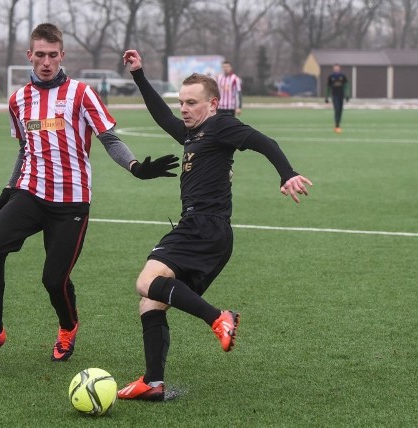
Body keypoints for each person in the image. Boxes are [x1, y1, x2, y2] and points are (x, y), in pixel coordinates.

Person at [0, 24, 179, 362]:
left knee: (54, 280)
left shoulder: (81, 93)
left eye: (52, 55)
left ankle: (68, 326)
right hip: (29, 194)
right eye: (40, 55)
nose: (46, 61)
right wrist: (7, 191)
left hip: (71, 201)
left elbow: (110, 140)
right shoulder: (18, 100)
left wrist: (135, 167)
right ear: (30, 55)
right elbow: (24, 149)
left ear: (62, 56)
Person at [117, 49, 313, 401]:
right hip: (208, 232)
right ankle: (154, 382)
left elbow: (263, 142)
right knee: (150, 303)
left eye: (192, 103)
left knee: (146, 282)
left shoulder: (220, 125)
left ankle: (218, 318)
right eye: (182, 102)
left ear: (212, 104)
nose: (185, 108)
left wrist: (288, 173)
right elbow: (162, 116)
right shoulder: (192, 134)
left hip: (203, 227)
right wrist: (139, 75)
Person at [325, 64, 349, 133]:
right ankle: (337, 125)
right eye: (335, 68)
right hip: (334, 95)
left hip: (341, 95)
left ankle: (338, 124)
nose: (336, 69)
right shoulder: (331, 77)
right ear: (333, 69)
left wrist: (347, 95)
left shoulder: (343, 76)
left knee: (340, 110)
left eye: (337, 68)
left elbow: (346, 86)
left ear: (339, 68)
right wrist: (326, 97)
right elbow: (328, 87)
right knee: (337, 109)